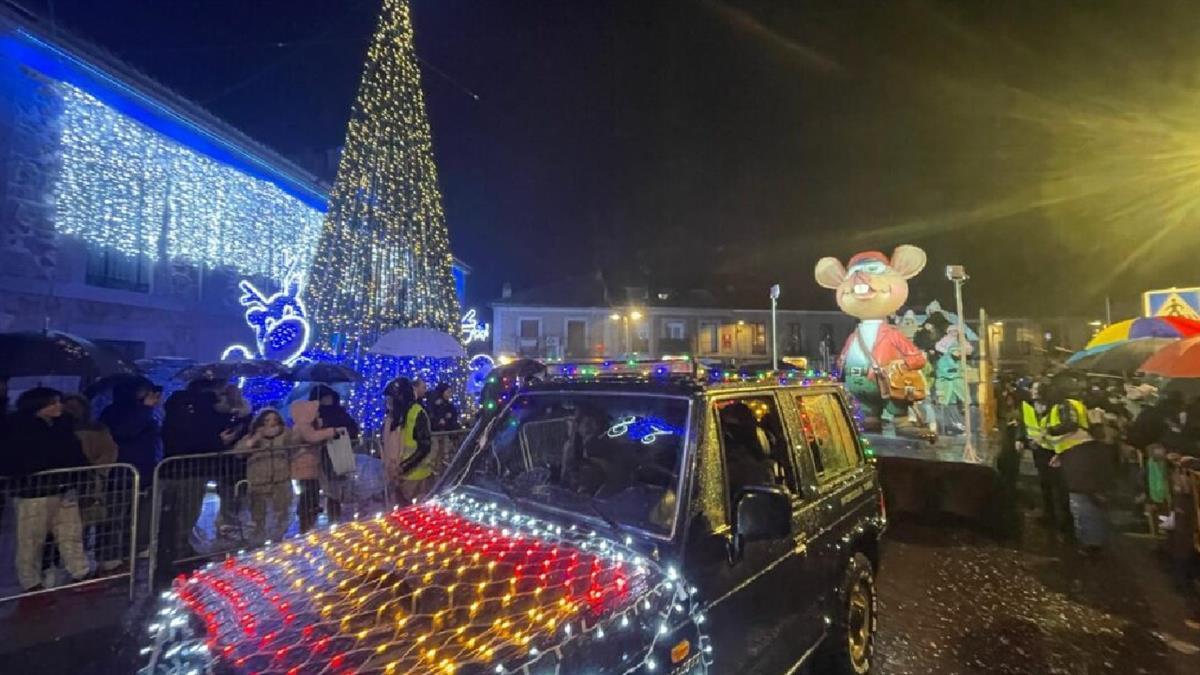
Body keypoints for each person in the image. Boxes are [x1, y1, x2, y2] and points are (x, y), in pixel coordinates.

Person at [0, 388, 90, 591]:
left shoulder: (63, 426)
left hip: (63, 487)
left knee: (70, 533)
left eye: (58, 401)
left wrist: (77, 477)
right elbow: (12, 459)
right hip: (33, 492)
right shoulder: (18, 428)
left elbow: (75, 453)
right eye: (53, 403)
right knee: (31, 539)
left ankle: (80, 572)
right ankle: (30, 581)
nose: (59, 406)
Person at [158, 379, 241, 570]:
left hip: (170, 468)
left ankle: (172, 550)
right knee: (187, 511)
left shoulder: (176, 407)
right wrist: (218, 440)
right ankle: (180, 552)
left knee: (171, 513)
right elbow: (202, 438)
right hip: (193, 469)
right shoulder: (202, 410)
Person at [62, 395, 124, 571]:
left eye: (76, 406)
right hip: (69, 481)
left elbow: (109, 451)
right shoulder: (60, 429)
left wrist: (97, 471)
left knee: (96, 518)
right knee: (72, 524)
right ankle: (75, 562)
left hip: (92, 480)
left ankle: (97, 559)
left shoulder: (97, 428)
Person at [235, 409, 295, 544]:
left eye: (274, 419)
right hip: (259, 482)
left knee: (282, 514)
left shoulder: (285, 434)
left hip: (281, 481)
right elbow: (239, 452)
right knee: (258, 516)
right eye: (267, 420)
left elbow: (295, 445)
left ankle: (278, 541)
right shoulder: (253, 436)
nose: (271, 423)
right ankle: (259, 543)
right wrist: (254, 439)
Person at [1019, 381, 1071, 531]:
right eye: (1033, 389)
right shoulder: (1027, 405)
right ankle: (1049, 515)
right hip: (1040, 450)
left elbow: (1068, 427)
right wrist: (1021, 438)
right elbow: (1023, 424)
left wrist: (1058, 449)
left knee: (1060, 486)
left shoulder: (1058, 406)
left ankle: (1065, 520)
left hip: (1057, 450)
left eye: (1038, 389)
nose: (1034, 392)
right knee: (1045, 484)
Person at [382, 377, 434, 505]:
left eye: (391, 399)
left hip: (416, 477)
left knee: (415, 517)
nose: (388, 402)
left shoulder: (417, 413)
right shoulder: (392, 417)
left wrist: (403, 467)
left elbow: (424, 446)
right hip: (397, 476)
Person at [289, 397, 338, 532]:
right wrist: (329, 432)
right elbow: (312, 437)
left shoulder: (308, 426)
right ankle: (306, 518)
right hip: (303, 467)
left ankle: (310, 515)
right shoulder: (303, 426)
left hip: (311, 466)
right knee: (308, 493)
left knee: (312, 492)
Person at [310, 385, 359, 521]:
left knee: (340, 487)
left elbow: (352, 428)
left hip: (340, 451)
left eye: (329, 397)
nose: (327, 400)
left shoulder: (339, 413)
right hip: (324, 455)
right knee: (331, 490)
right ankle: (334, 518)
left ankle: (341, 517)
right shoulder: (314, 415)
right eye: (324, 398)